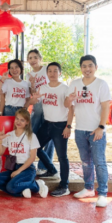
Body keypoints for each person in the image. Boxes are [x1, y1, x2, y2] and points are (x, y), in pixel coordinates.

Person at [65, 55, 111, 208]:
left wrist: (101, 127)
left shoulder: (101, 84)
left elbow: (105, 107)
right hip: (80, 130)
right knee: (85, 162)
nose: (87, 69)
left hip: (96, 130)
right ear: (81, 68)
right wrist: (70, 99)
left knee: (100, 162)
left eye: (90, 65)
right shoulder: (75, 83)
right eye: (84, 66)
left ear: (96, 67)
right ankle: (88, 188)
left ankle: (103, 193)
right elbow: (68, 105)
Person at [0, 108, 49, 198]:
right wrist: (0, 140)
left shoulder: (31, 136)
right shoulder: (9, 135)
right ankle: (21, 190)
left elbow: (32, 158)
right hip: (13, 168)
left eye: (22, 120)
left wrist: (18, 171)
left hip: (27, 169)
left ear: (27, 122)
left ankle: (36, 185)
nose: (18, 122)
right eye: (17, 118)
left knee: (11, 187)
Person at [35, 62, 75, 197]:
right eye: (50, 71)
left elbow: (70, 108)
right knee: (36, 148)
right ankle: (51, 170)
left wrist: (68, 126)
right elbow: (33, 101)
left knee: (62, 157)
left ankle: (64, 185)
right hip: (47, 124)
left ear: (60, 73)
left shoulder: (65, 88)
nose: (52, 74)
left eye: (55, 71)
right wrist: (32, 99)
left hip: (60, 126)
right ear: (47, 73)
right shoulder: (42, 88)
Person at [27, 49, 54, 176]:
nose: (32, 60)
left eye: (35, 57)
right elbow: (32, 92)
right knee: (32, 135)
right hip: (38, 108)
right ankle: (28, 163)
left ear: (40, 58)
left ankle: (45, 166)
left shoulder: (47, 69)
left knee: (49, 138)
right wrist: (32, 84)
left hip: (50, 105)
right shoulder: (29, 74)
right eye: (30, 58)